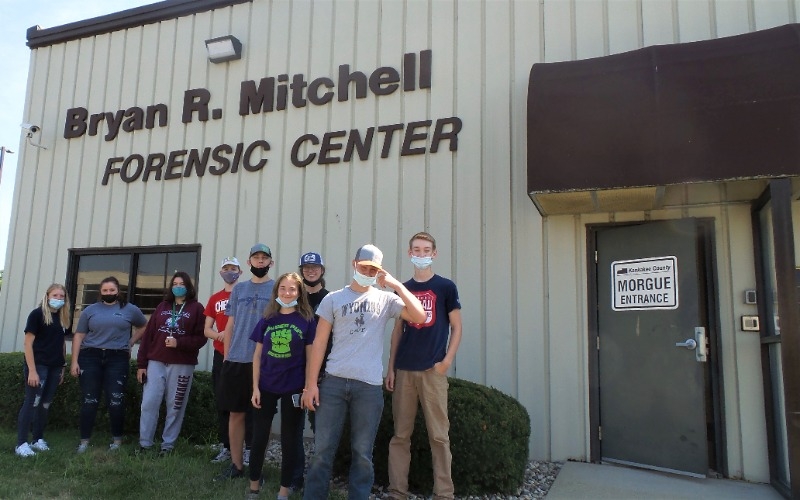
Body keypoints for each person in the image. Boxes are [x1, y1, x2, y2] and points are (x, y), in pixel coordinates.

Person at [301, 244, 426, 500]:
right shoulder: (333, 298)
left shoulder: (386, 299)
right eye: (364, 266)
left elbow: (420, 316)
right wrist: (311, 384)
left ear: (379, 271)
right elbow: (319, 344)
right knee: (322, 450)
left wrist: (396, 285)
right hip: (333, 383)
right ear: (354, 263)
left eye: (373, 268)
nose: (367, 271)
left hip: (368, 388)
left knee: (362, 454)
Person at [385, 232, 463, 500]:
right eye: (416, 250)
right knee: (400, 436)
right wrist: (391, 368)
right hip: (405, 370)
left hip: (433, 372)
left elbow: (457, 327)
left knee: (439, 437)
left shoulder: (446, 287)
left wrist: (446, 362)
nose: (421, 254)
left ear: (434, 253)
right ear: (410, 253)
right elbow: (397, 332)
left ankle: (444, 493)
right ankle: (397, 491)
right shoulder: (402, 289)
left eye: (426, 249)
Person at [246, 272, 316, 500]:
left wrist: (307, 388)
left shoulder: (306, 320)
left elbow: (310, 358)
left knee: (290, 440)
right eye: (283, 288)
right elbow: (256, 357)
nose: (287, 293)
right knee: (259, 438)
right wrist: (255, 388)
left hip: (294, 388)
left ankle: (284, 491)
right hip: (265, 385)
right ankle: (254, 487)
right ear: (276, 292)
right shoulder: (267, 319)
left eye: (292, 289)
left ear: (299, 293)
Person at [214, 243, 275, 481]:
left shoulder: (276, 289)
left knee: (262, 417)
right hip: (237, 361)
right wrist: (227, 356)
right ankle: (236, 466)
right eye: (256, 258)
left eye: (264, 258)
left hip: (266, 362)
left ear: (271, 262)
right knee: (236, 414)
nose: (260, 261)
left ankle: (257, 467)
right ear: (248, 263)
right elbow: (229, 325)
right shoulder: (238, 290)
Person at [71, 276, 147, 453]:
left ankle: (117, 441)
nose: (108, 293)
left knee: (116, 400)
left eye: (112, 290)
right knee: (90, 400)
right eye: (105, 290)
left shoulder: (129, 309)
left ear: (118, 291)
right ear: (100, 292)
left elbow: (144, 326)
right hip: (90, 357)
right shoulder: (90, 310)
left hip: (117, 358)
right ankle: (84, 441)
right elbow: (79, 335)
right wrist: (74, 361)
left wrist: (130, 342)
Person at [136, 271, 207, 454]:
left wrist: (180, 343)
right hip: (156, 362)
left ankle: (167, 446)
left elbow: (201, 338)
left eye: (181, 284)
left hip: (182, 364)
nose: (178, 287)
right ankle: (145, 444)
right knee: (149, 403)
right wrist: (141, 364)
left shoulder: (197, 308)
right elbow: (148, 337)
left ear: (188, 287)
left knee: (175, 406)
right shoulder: (162, 306)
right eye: (174, 284)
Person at [204, 257, 252, 464]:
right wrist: (220, 335)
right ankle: (227, 447)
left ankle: (249, 449)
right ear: (220, 271)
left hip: (243, 356)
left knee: (248, 404)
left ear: (241, 272)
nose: (229, 272)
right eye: (226, 268)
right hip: (221, 356)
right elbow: (207, 329)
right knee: (224, 403)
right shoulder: (215, 298)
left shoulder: (246, 294)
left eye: (234, 269)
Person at [15, 284, 71, 457]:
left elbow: (61, 343)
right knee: (32, 403)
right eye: (55, 295)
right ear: (47, 296)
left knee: (44, 405)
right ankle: (21, 443)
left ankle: (37, 439)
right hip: (39, 366)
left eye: (62, 296)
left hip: (55, 367)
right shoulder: (37, 314)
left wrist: (62, 367)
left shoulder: (61, 318)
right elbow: (28, 344)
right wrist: (32, 370)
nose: (59, 299)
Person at [290, 251, 331, 489]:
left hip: (323, 375)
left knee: (320, 429)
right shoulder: (293, 299)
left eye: (315, 267)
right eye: (306, 268)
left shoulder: (330, 299)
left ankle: (317, 479)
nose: (310, 271)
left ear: (322, 271)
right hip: (295, 372)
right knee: (294, 426)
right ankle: (295, 477)